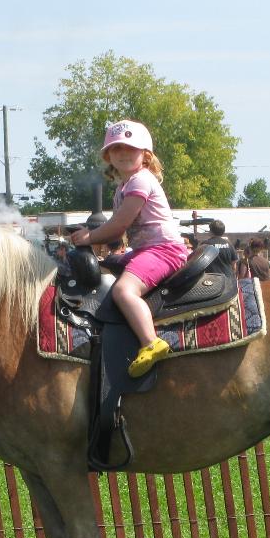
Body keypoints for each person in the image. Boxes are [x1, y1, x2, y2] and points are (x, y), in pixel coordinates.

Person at [70, 120, 189, 377]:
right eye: (117, 148)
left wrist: (88, 237)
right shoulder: (123, 188)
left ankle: (150, 342)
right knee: (108, 268)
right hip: (146, 249)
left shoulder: (140, 182)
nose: (123, 153)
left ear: (145, 154)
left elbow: (118, 226)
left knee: (124, 291)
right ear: (108, 156)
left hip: (164, 249)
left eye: (130, 148)